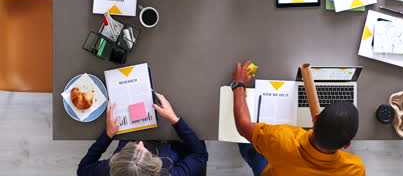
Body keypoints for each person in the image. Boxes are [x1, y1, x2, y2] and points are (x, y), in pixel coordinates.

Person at [231, 60, 365, 176]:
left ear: (315, 118)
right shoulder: (355, 169)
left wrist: (239, 84)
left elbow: (242, 125)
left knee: (247, 142)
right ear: (347, 145)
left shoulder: (281, 139)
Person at [77, 93, 208, 176]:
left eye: (132, 147)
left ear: (115, 163)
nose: (140, 142)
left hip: (137, 128)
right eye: (145, 151)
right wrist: (174, 119)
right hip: (172, 142)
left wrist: (107, 135)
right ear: (154, 168)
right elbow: (200, 155)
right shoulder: (170, 173)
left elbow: (82, 169)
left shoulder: (107, 170)